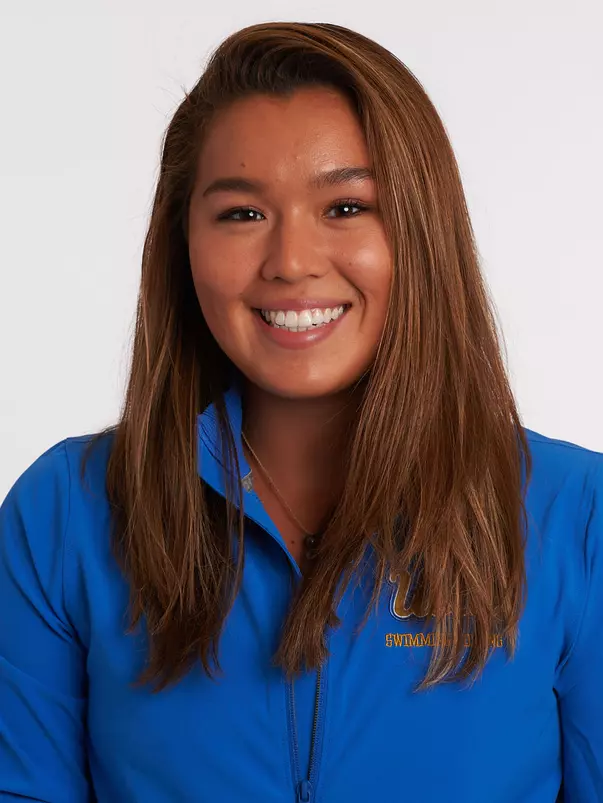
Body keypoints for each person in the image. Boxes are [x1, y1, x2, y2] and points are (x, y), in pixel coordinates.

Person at [0, 20, 601, 803]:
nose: (289, 261)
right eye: (241, 214)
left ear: (421, 232)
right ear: (181, 246)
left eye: (345, 207)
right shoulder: (62, 514)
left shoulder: (576, 518)